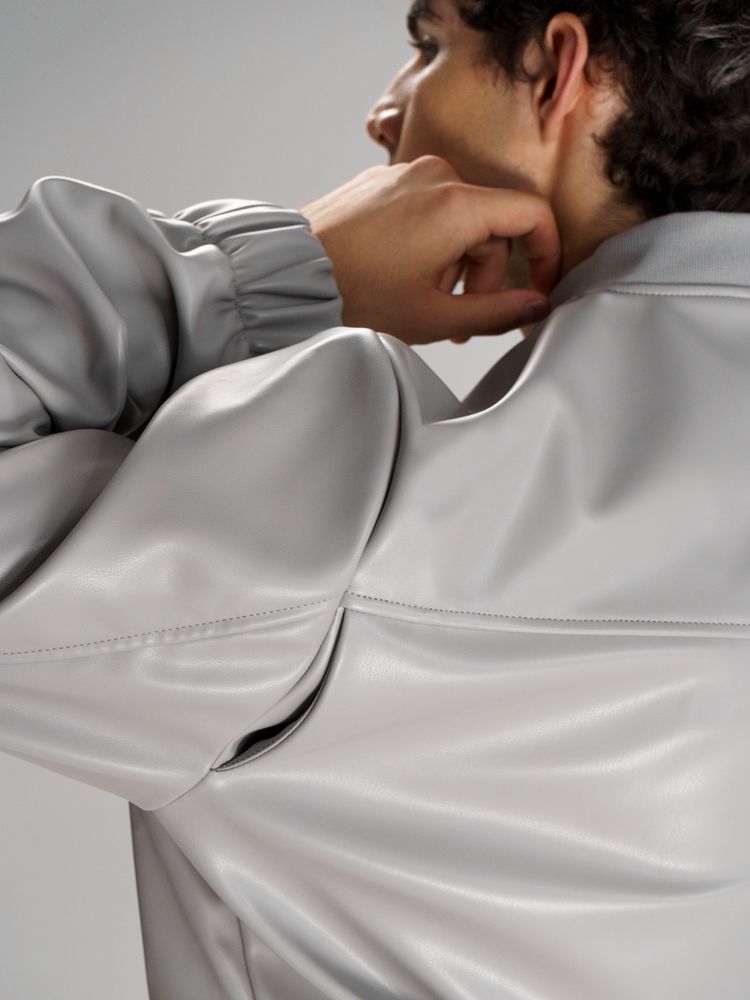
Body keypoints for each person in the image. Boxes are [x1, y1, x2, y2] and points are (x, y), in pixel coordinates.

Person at [2, 2, 750, 997]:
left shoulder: (354, 515)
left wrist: (277, 270)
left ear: (558, 71)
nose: (383, 111)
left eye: (431, 45)